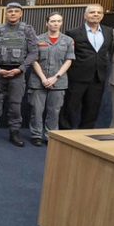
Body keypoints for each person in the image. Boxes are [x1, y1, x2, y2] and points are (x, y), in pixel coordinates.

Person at [0, 2, 38, 147]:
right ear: (6, 13)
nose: (12, 13)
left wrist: (21, 68)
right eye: (10, 11)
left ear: (21, 14)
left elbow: (33, 53)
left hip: (17, 74)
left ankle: (14, 132)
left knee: (15, 106)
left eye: (15, 11)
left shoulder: (28, 30)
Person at [61, 4, 113, 129]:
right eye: (92, 12)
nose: (95, 14)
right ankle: (65, 133)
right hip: (77, 76)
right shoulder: (72, 32)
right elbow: (67, 55)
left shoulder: (109, 32)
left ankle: (84, 134)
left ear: (102, 16)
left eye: (99, 12)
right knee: (70, 107)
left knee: (92, 109)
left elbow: (110, 51)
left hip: (98, 77)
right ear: (85, 16)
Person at [27, 13, 75, 146]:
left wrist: (56, 77)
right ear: (46, 23)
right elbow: (33, 60)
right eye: (53, 21)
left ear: (61, 23)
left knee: (54, 111)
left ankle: (50, 136)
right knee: (36, 110)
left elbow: (69, 60)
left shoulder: (68, 41)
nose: (55, 23)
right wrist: (43, 78)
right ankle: (36, 135)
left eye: (58, 21)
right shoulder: (37, 40)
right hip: (38, 81)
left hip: (58, 82)